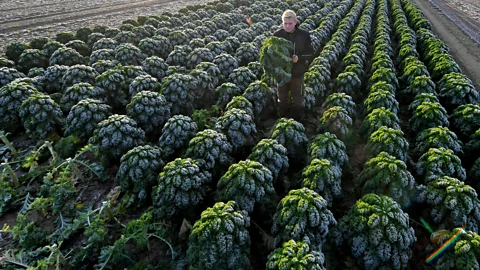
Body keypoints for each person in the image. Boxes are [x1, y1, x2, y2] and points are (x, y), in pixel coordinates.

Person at [274, 10, 314, 121]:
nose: (287, 26)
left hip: (297, 73)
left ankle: (298, 120)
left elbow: (310, 52)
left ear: (295, 22)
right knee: (282, 98)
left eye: (290, 23)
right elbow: (272, 55)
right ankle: (282, 119)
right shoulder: (277, 35)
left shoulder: (304, 35)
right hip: (282, 73)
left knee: (298, 99)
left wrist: (299, 58)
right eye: (285, 23)